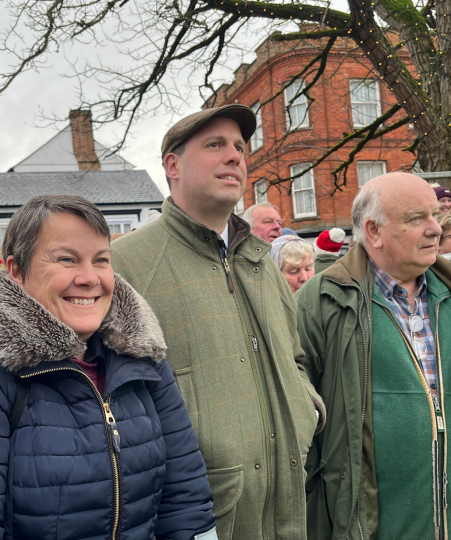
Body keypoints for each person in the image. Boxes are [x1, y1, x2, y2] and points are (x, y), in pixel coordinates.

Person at [0, 195, 217, 540]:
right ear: (16, 271)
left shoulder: (143, 360)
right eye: (67, 259)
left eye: (101, 260)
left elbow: (186, 502)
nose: (88, 277)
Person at [112, 105, 324, 540]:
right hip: (199, 517)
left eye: (240, 148)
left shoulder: (262, 262)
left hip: (289, 509)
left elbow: (295, 357)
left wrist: (307, 412)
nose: (235, 157)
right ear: (172, 165)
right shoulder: (125, 264)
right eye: (215, 145)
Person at [295, 172, 451, 540]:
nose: (435, 229)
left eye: (434, 216)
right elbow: (292, 388)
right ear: (373, 231)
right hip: (369, 523)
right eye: (416, 218)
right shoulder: (322, 300)